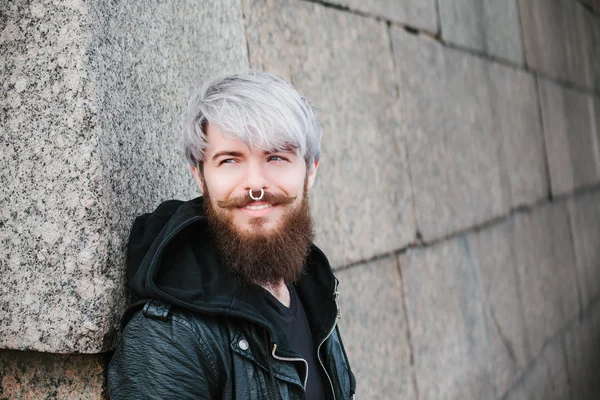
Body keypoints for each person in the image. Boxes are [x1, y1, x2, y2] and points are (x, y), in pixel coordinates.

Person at [107, 70, 356, 399]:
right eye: (230, 160)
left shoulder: (314, 288)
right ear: (200, 177)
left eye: (276, 157)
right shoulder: (169, 335)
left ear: (310, 172)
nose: (254, 184)